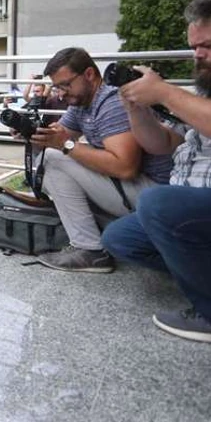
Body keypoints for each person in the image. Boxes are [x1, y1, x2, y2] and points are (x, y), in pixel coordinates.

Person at [101, 0, 211, 350]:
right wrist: (136, 108)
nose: (198, 55)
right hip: (208, 218)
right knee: (121, 238)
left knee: (159, 204)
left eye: (208, 45)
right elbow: (162, 143)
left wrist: (165, 93)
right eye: (194, 47)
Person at [27, 48, 173, 273]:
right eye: (57, 87)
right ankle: (101, 236)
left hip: (156, 194)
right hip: (135, 191)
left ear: (88, 74)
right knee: (49, 162)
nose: (61, 94)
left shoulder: (112, 102)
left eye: (65, 85)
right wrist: (31, 133)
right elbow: (58, 137)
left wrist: (65, 144)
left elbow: (126, 167)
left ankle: (91, 251)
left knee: (54, 159)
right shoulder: (82, 103)